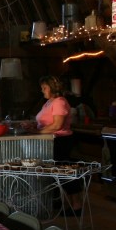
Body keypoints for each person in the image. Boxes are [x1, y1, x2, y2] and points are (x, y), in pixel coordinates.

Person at [31, 76, 78, 213]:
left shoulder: (59, 102)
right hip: (51, 140)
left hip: (60, 141)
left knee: (64, 171)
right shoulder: (48, 103)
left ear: (52, 88)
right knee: (58, 173)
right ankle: (66, 203)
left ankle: (76, 205)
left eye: (44, 88)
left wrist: (37, 132)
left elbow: (57, 124)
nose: (42, 90)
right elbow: (44, 121)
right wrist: (33, 126)